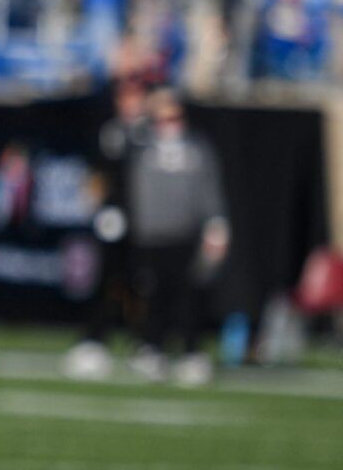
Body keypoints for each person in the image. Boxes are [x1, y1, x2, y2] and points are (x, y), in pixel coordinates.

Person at [127, 88, 228, 385]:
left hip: (187, 233)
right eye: (162, 116)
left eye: (174, 116)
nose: (169, 123)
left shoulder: (197, 149)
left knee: (189, 295)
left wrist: (216, 224)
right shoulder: (143, 147)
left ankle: (191, 352)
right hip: (153, 235)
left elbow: (210, 190)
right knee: (155, 296)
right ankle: (153, 348)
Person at [65, 75, 150, 379]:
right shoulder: (109, 131)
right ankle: (94, 340)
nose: (130, 104)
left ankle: (143, 343)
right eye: (125, 98)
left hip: (144, 221)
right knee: (104, 281)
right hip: (112, 219)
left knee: (139, 285)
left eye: (136, 97)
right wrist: (99, 207)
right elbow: (97, 173)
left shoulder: (150, 135)